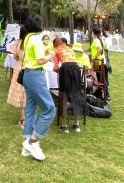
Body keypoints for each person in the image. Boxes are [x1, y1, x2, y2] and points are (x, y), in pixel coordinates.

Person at [21, 14, 55, 161]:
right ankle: (32, 141)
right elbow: (41, 60)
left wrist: (45, 53)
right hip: (35, 75)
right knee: (49, 108)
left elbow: (33, 55)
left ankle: (26, 148)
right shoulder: (36, 39)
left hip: (27, 76)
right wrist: (50, 56)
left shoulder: (28, 38)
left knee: (31, 109)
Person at [53, 37, 84, 133]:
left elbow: (55, 67)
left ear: (55, 44)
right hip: (76, 69)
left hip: (65, 70)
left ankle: (64, 124)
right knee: (76, 94)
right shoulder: (70, 49)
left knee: (64, 95)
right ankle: (76, 123)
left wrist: (57, 70)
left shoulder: (56, 50)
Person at [7, 26, 27, 128]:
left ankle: (22, 119)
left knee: (20, 95)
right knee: (27, 94)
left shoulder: (18, 43)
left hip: (19, 69)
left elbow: (15, 56)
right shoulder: (32, 44)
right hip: (29, 69)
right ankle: (25, 119)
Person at [90, 27, 110, 100]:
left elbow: (100, 49)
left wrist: (94, 56)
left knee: (101, 79)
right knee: (100, 78)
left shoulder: (96, 40)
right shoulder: (101, 39)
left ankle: (107, 95)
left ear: (93, 33)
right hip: (103, 61)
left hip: (98, 62)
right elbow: (105, 48)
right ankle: (98, 92)